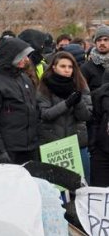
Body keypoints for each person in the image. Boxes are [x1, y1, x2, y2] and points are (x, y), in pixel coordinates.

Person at [0, 37, 39, 164]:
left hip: (30, 148)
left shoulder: (25, 79)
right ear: (12, 56)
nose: (26, 60)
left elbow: (34, 110)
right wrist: (0, 151)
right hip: (8, 150)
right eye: (22, 56)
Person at [37, 51, 92, 179]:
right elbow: (45, 114)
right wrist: (67, 104)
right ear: (54, 67)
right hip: (53, 146)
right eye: (63, 66)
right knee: (56, 190)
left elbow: (86, 116)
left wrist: (78, 102)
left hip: (78, 144)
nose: (67, 70)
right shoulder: (44, 87)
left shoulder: (81, 85)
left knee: (81, 189)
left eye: (70, 67)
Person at [90, 73, 109, 187]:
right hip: (102, 153)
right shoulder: (101, 93)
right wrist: (93, 147)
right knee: (99, 194)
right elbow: (93, 122)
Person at [82, 25, 109, 91]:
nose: (102, 43)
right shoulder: (86, 68)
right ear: (95, 43)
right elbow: (84, 95)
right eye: (99, 40)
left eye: (106, 40)